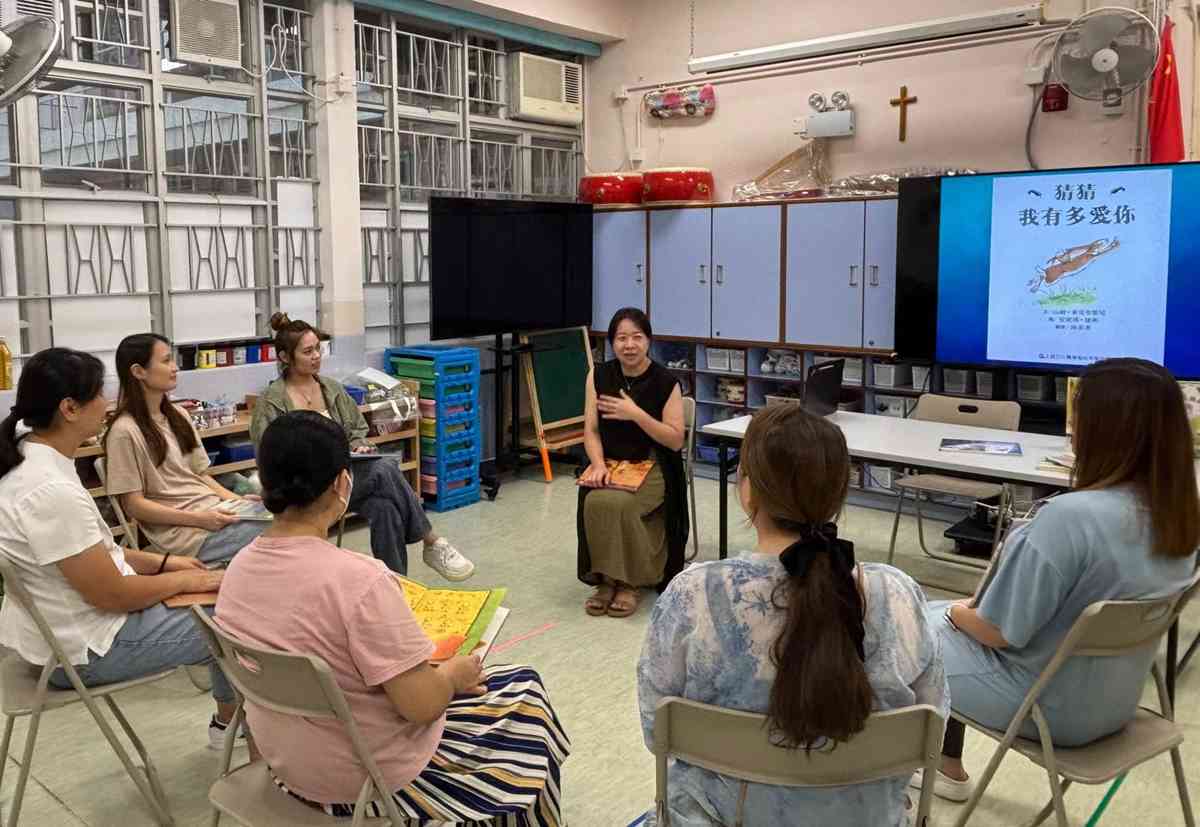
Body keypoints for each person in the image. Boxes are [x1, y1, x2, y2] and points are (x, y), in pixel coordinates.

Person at [217, 411, 569, 822]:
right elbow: (420, 707)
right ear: (342, 484)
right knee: (524, 690)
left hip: (287, 766)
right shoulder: (360, 580)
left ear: (264, 485)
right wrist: (453, 675)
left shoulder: (238, 569)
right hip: (372, 781)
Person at [638, 403, 947, 827]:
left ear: (748, 490)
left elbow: (657, 729)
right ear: (840, 492)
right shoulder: (897, 594)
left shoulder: (691, 595)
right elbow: (933, 725)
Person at [924, 357, 1200, 803]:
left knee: (897, 624)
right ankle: (947, 765)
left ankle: (886, 775)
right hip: (1115, 705)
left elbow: (996, 632)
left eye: (1079, 417)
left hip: (1042, 708)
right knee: (932, 620)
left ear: (1102, 430)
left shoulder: (1070, 519)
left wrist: (953, 612)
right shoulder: (1180, 518)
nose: (1072, 430)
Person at [0, 348, 237, 748]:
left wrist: (164, 563)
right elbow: (112, 594)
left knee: (225, 591)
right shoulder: (49, 490)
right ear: (70, 408)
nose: (107, 404)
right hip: (87, 648)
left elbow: (92, 553)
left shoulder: (32, 459)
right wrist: (189, 579)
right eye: (98, 395)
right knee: (244, 612)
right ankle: (246, 730)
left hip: (71, 629)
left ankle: (231, 722)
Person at [249, 312, 473, 581]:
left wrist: (360, 445)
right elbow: (268, 456)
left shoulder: (332, 389)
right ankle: (431, 540)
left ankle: (396, 585)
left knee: (385, 507)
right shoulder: (270, 402)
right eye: (308, 351)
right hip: (304, 489)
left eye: (318, 349)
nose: (316, 356)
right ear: (285, 357)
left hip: (342, 481)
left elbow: (357, 431)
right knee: (384, 469)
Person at [103, 333, 266, 567]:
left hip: (215, 513)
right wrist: (199, 519)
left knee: (288, 515)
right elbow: (134, 505)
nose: (175, 367)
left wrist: (239, 502)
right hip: (186, 535)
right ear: (139, 371)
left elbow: (199, 474)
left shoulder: (179, 415)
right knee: (283, 531)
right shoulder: (124, 431)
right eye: (166, 360)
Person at [577, 308, 688, 618]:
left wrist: (636, 414)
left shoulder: (666, 382)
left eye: (637, 337)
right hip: (611, 461)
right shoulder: (598, 375)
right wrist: (597, 464)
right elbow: (591, 430)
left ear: (648, 341)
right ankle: (606, 580)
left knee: (620, 503)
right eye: (621, 338)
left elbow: (675, 440)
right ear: (612, 342)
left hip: (654, 464)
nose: (629, 345)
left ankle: (629, 582)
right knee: (595, 500)